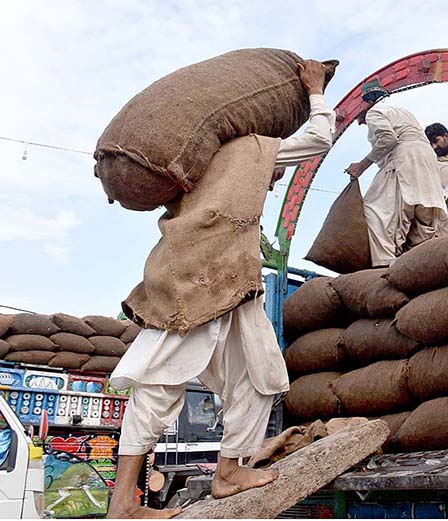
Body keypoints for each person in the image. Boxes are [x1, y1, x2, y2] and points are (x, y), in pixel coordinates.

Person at [107, 59, 336, 519]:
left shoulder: (196, 164)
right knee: (158, 388)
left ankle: (228, 470)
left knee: (260, 377)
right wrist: (314, 91)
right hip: (199, 283)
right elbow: (319, 139)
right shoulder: (249, 148)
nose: (273, 183)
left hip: (228, 285)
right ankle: (122, 507)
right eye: (274, 174)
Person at [345, 80, 447, 267]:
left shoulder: (374, 113)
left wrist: (362, 166)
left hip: (405, 162)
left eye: (356, 116)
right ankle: (417, 266)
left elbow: (388, 139)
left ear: (365, 104)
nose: (358, 122)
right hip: (427, 165)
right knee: (421, 223)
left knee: (375, 211)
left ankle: (383, 266)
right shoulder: (401, 112)